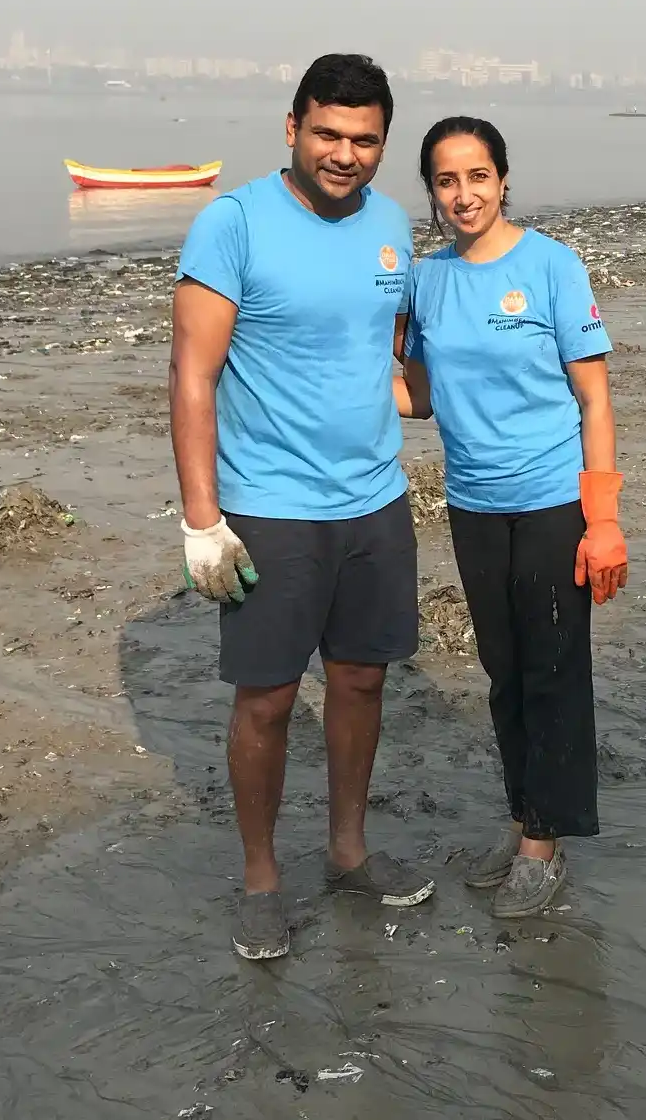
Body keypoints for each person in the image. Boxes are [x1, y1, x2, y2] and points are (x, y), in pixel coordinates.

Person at [171, 53, 435, 961]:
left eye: (365, 140)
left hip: (375, 500)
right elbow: (193, 377)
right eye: (327, 133)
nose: (345, 154)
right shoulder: (232, 223)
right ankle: (259, 880)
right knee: (270, 700)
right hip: (270, 508)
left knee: (362, 680)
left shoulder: (394, 226)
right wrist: (202, 520)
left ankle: (349, 851)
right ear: (292, 128)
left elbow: (394, 362)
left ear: (383, 145)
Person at [397, 116, 626, 918]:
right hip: (474, 505)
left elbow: (594, 398)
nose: (464, 195)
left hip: (556, 502)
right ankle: (524, 817)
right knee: (503, 677)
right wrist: (326, 385)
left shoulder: (552, 266)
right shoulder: (425, 281)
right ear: (432, 192)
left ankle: (544, 847)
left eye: (478, 177)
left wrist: (604, 520)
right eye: (447, 181)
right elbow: (420, 397)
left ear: (503, 180)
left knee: (554, 673)